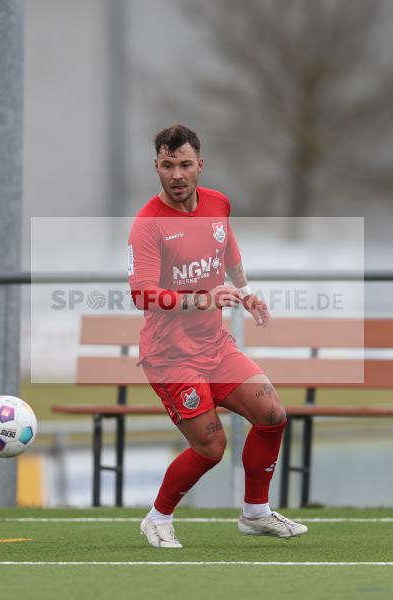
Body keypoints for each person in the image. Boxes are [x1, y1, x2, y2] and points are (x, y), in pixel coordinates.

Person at [127, 124, 307, 548]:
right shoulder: (147, 225)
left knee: (273, 415)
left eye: (185, 164)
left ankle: (256, 514)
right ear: (156, 167)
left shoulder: (218, 204)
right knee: (211, 447)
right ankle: (157, 518)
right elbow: (142, 295)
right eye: (167, 165)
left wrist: (244, 293)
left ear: (199, 166)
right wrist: (202, 299)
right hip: (171, 357)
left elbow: (227, 249)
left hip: (215, 347)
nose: (176, 174)